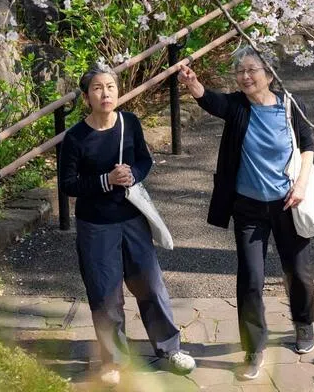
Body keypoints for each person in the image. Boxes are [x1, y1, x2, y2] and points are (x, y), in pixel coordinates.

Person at [178, 46, 314, 381]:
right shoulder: (237, 106)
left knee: (297, 271)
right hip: (248, 209)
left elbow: (308, 145)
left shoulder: (289, 104)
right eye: (240, 71)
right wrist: (192, 82)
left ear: (269, 74)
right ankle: (254, 347)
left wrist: (300, 185)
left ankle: (304, 323)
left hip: (288, 203)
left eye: (252, 69)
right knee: (251, 279)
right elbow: (210, 100)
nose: (245, 76)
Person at [58, 64, 195, 387]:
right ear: (86, 96)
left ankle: (170, 348)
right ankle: (113, 360)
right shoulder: (76, 137)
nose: (105, 94)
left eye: (110, 87)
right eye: (97, 88)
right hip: (96, 225)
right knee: (105, 294)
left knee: (150, 284)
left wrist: (134, 174)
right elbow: (68, 183)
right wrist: (106, 180)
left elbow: (144, 160)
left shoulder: (129, 123)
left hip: (132, 219)